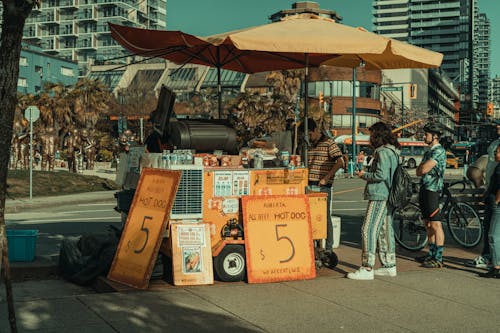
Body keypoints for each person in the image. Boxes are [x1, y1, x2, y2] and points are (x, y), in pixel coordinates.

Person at [347, 122, 400, 280]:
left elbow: (380, 175)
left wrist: (364, 175)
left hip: (379, 194)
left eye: (371, 135)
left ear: (377, 136)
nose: (369, 138)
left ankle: (367, 267)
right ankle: (389, 265)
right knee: (384, 230)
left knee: (368, 228)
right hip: (389, 195)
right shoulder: (393, 151)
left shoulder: (382, 152)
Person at [301, 119, 344, 252]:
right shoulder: (309, 145)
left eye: (309, 134)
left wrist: (326, 177)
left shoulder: (329, 143)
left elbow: (340, 161)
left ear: (315, 130)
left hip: (322, 186)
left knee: (324, 216)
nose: (308, 137)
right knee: (310, 216)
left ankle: (329, 247)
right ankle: (313, 245)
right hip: (308, 184)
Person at [467, 122, 500, 269]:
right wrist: (486, 190)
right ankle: (490, 257)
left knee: (493, 230)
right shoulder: (495, 143)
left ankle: (492, 259)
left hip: (497, 193)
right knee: (489, 227)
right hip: (491, 190)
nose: (497, 127)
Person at [415, 123, 447, 268]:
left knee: (435, 224)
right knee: (427, 224)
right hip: (425, 188)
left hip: (433, 190)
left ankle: (438, 258)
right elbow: (418, 171)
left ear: (434, 136)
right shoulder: (429, 151)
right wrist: (422, 168)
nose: (424, 136)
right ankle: (431, 253)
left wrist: (422, 168)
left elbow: (423, 169)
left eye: (426, 134)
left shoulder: (439, 151)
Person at [479, 144, 500, 278]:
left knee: (493, 235)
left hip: (497, 205)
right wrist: (486, 195)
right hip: (493, 202)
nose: (495, 154)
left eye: (497, 152)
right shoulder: (498, 167)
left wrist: (497, 201)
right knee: (494, 234)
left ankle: (496, 266)